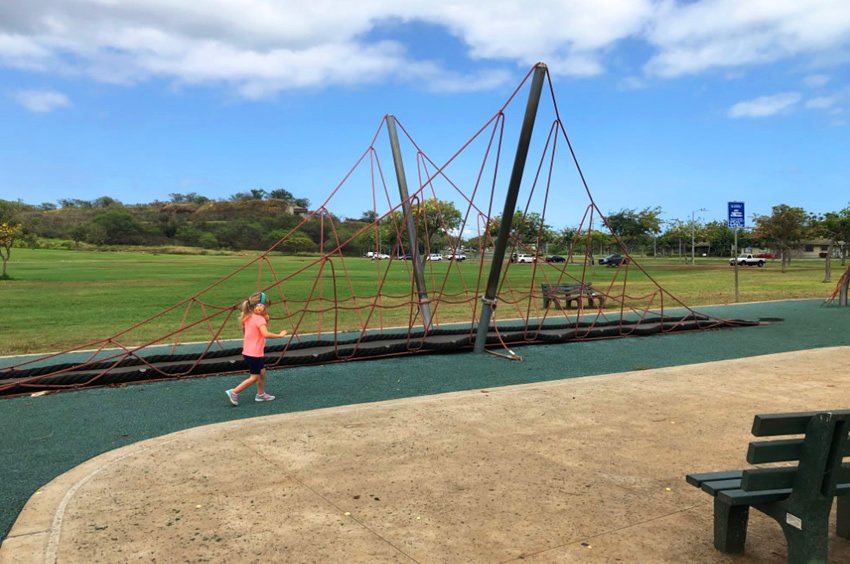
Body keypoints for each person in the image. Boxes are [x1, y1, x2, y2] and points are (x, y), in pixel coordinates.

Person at [226, 291, 287, 405]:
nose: (266, 309)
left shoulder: (248, 317)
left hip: (248, 352)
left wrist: (265, 319)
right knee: (254, 377)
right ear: (260, 306)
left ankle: (261, 394)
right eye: (266, 306)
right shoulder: (259, 319)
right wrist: (280, 335)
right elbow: (265, 334)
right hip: (255, 354)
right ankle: (234, 392)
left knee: (262, 372)